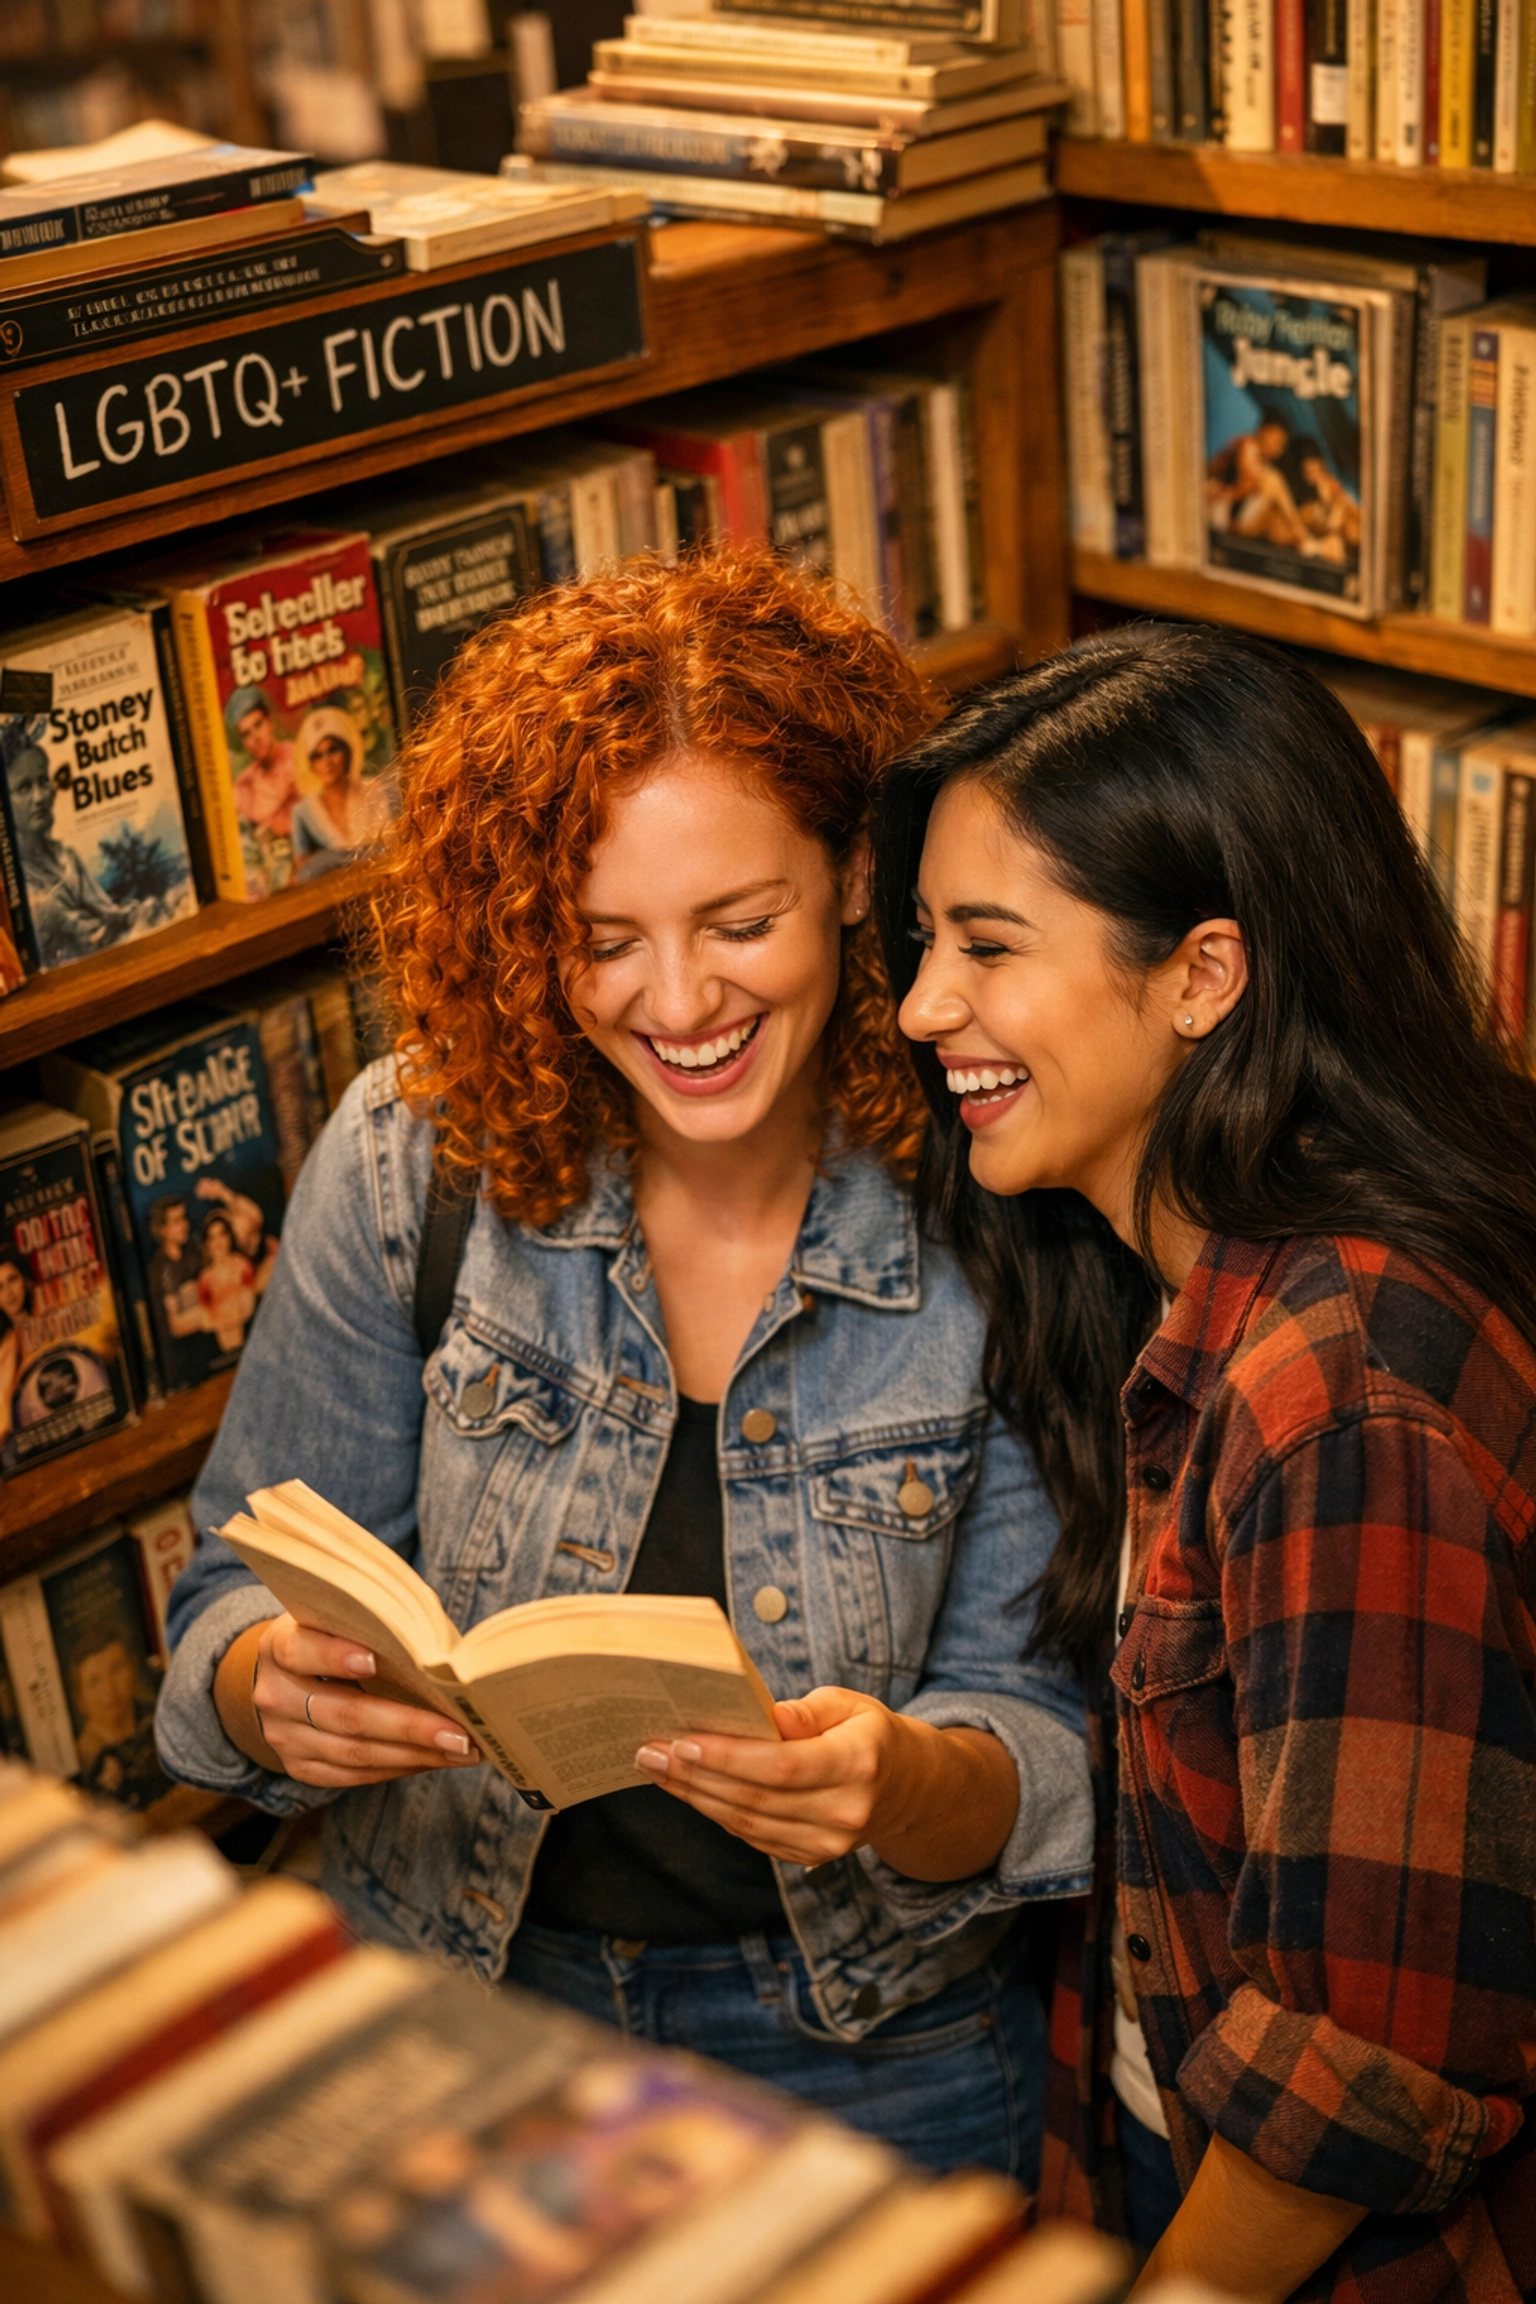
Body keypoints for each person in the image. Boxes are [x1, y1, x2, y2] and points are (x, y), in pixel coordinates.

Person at [155, 549, 1093, 2179]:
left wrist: (898, 1783)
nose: (679, 1002)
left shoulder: (997, 1198)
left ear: (857, 876)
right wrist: (266, 1684)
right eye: (604, 940)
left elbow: (1051, 1749)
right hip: (447, 1991)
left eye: (742, 921)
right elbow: (219, 1606)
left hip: (866, 2039)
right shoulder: (412, 1153)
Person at [874, 624, 1536, 2299]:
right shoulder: (1166, 1274)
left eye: (987, 944)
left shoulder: (1344, 1385)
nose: (918, 1002)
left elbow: (1360, 2051)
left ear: (1202, 975)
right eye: (918, 936)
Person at [6, 744, 137, 966]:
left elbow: (110, 912)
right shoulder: (17, 880)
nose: (39, 797)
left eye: (43, 781)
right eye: (24, 788)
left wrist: (129, 915)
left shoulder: (68, 857)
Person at [290, 707, 391, 880]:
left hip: (379, 878)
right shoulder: (302, 812)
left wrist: (325, 860)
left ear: (347, 751)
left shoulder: (374, 790)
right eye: (317, 756)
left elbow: (388, 847)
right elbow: (303, 871)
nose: (327, 762)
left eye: (333, 750)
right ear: (311, 764)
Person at [227, 687, 299, 895]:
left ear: (271, 722)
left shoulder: (298, 758)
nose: (255, 738)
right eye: (246, 734)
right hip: (273, 876)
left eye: (258, 725)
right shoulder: (245, 786)